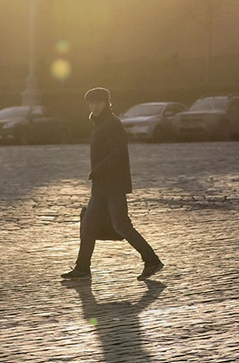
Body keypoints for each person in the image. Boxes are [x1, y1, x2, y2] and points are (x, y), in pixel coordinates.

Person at [62, 87, 163, 281]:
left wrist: (98, 171)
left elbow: (118, 153)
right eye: (91, 102)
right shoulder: (99, 123)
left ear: (107, 103)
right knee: (88, 226)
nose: (94, 106)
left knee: (122, 225)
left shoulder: (112, 123)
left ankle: (152, 261)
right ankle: (82, 268)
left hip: (114, 186)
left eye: (98, 102)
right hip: (101, 187)